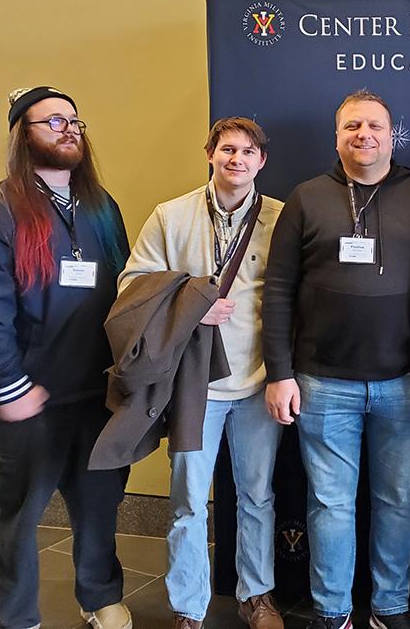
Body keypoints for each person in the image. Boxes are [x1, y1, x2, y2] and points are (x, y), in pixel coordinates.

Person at [263, 90, 410, 629]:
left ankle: (389, 608)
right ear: (336, 136)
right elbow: (277, 290)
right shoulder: (305, 198)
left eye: (374, 126)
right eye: (352, 127)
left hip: (405, 382)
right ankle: (334, 611)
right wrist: (279, 372)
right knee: (330, 505)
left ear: (392, 135)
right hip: (322, 382)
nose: (364, 135)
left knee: (398, 500)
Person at [0, 86, 132, 629]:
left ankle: (99, 596)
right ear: (22, 135)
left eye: (74, 120)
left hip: (97, 393)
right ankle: (16, 616)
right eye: (52, 121)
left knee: (99, 508)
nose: (68, 128)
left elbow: (127, 289)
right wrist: (8, 386)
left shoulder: (102, 207)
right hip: (30, 398)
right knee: (19, 516)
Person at [118, 117, 284, 629]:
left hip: (259, 381)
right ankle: (189, 607)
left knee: (257, 495)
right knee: (188, 498)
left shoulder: (280, 218)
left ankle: (255, 595)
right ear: (209, 153)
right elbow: (133, 283)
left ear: (261, 161)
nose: (237, 159)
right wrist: (190, 304)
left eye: (248, 151)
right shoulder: (171, 216)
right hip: (195, 386)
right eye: (227, 149)